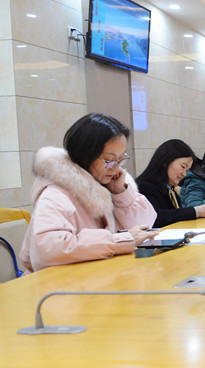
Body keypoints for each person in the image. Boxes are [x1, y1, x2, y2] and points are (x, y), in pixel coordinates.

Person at [19, 113, 157, 272]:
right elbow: (48, 250)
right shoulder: (56, 194)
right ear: (85, 155)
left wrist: (120, 193)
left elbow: (145, 225)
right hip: (63, 283)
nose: (116, 167)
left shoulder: (109, 184)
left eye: (121, 159)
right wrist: (120, 241)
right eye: (109, 160)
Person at [137, 139, 205, 228]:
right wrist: (196, 211)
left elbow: (176, 215)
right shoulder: (145, 187)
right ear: (166, 161)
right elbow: (156, 218)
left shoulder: (169, 188)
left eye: (187, 170)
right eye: (183, 167)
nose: (184, 174)